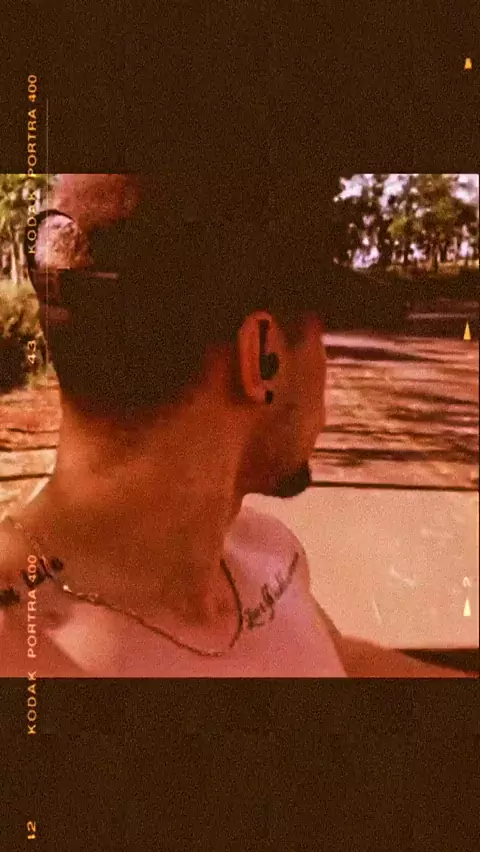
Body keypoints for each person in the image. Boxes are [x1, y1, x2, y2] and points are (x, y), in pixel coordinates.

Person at [0, 174, 474, 678]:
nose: (325, 370)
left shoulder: (268, 557)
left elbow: (328, 656)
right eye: (320, 341)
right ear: (263, 357)